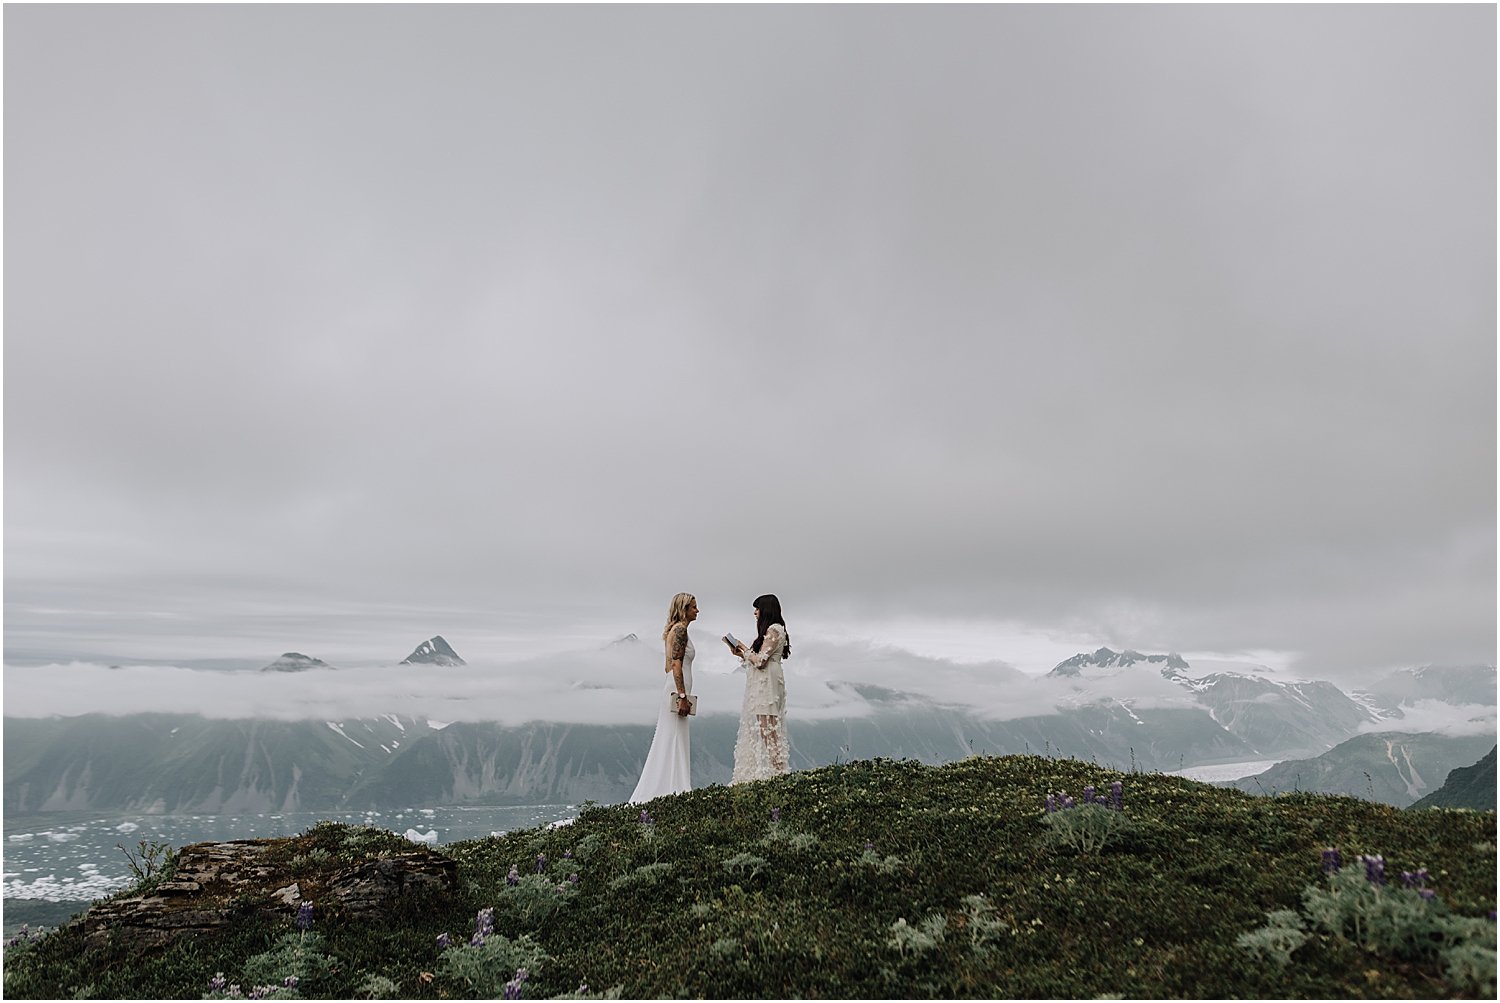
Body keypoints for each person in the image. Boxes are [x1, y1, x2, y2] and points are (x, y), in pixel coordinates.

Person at [628, 593, 697, 803]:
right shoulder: (680, 630)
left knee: (673, 736)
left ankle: (673, 785)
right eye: (693, 607)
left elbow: (667, 666)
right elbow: (675, 665)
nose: (697, 610)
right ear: (684, 609)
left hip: (673, 686)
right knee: (673, 736)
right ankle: (675, 787)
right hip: (677, 690)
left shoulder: (673, 630)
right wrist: (682, 695)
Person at [727, 593, 791, 783]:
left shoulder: (774, 630)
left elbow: (761, 661)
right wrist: (742, 653)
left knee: (768, 729)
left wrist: (743, 648)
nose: (755, 612)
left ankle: (778, 772)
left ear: (766, 610)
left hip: (767, 682)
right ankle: (775, 771)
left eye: (757, 608)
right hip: (767, 680)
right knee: (766, 727)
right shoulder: (776, 629)